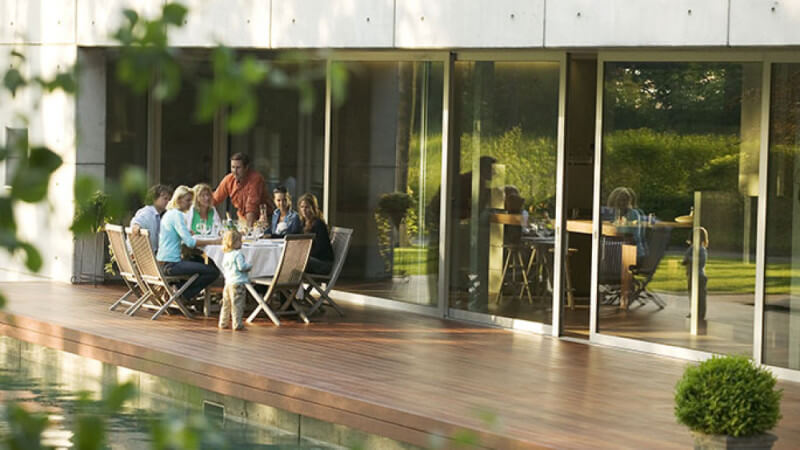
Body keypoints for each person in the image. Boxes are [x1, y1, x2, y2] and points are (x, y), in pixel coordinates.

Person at [157, 185, 221, 308]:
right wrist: (215, 242)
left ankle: (179, 291)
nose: (190, 203)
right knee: (213, 271)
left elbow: (176, 236)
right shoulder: (178, 215)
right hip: (172, 265)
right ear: (179, 200)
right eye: (188, 200)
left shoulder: (169, 214)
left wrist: (186, 233)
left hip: (164, 262)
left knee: (197, 261)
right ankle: (181, 293)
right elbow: (190, 243)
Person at [212, 153, 271, 228]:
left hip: (262, 221)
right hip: (242, 221)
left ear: (246, 167)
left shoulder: (255, 179)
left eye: (238, 168)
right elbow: (214, 199)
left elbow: (251, 208)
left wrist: (249, 232)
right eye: (233, 167)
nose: (235, 171)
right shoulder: (229, 179)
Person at [219, 229, 251, 330]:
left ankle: (223, 322)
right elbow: (241, 267)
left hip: (228, 283)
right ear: (234, 243)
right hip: (238, 282)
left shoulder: (226, 255)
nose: (241, 243)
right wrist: (249, 266)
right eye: (239, 241)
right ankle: (237, 323)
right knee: (237, 304)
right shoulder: (238, 254)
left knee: (226, 304)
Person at [605, 186, 648, 259]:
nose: (622, 203)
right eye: (619, 200)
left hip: (633, 252)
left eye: (625, 200)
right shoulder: (612, 214)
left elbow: (633, 237)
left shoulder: (633, 214)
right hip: (615, 250)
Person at [297, 193, 334, 275]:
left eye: (307, 207)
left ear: (313, 208)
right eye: (302, 207)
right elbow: (292, 236)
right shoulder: (302, 223)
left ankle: (292, 287)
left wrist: (305, 255)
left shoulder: (318, 224)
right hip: (310, 260)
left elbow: (321, 248)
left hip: (323, 263)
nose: (304, 210)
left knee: (297, 261)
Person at [130, 184, 173, 251]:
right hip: (149, 257)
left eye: (169, 199)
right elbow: (136, 223)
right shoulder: (148, 213)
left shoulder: (156, 215)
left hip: (148, 256)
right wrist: (136, 226)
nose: (168, 202)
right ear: (154, 198)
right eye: (165, 198)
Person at [682, 227, 708, 321]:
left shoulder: (702, 250)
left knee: (701, 296)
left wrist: (689, 259)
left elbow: (701, 262)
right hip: (691, 275)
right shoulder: (691, 248)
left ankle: (701, 313)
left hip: (699, 275)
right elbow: (686, 257)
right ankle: (693, 311)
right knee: (692, 294)